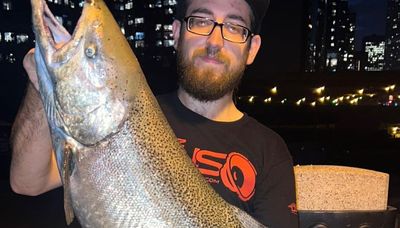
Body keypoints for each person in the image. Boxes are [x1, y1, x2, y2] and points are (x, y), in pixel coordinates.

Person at [10, 0, 299, 227]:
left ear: (252, 49)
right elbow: (26, 183)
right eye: (200, 21)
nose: (214, 41)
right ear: (176, 33)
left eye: (235, 28)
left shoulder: (270, 151)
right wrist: (43, 85)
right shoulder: (129, 117)